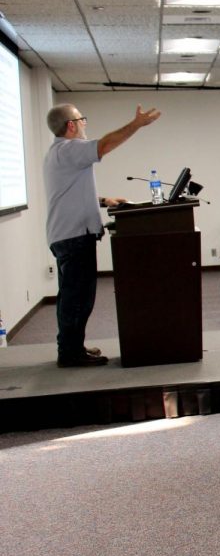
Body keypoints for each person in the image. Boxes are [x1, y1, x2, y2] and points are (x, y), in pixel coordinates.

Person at [44, 103, 161, 367]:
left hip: (66, 234)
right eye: (81, 119)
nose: (85, 124)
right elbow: (104, 145)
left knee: (71, 296)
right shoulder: (69, 148)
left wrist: (103, 199)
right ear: (71, 125)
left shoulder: (58, 153)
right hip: (74, 236)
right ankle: (71, 354)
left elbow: (67, 193)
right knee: (78, 299)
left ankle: (72, 347)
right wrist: (136, 125)